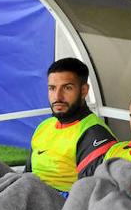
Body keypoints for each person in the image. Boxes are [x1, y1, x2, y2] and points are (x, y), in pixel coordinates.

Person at [28, 58, 116, 193]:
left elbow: (88, 196)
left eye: (67, 88)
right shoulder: (44, 126)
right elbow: (26, 174)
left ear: (84, 91)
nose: (57, 96)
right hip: (28, 194)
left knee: (22, 185)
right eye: (52, 88)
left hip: (61, 205)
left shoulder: (94, 134)